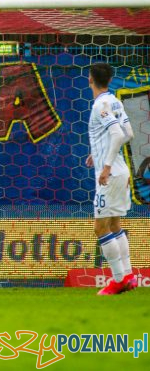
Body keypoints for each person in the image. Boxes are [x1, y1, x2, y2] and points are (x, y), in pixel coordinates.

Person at [86, 63, 137, 296]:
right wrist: (98, 151)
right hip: (121, 171)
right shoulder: (115, 101)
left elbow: (117, 134)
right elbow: (129, 134)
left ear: (90, 80)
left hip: (110, 174)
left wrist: (105, 166)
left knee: (100, 228)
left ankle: (117, 281)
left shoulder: (100, 105)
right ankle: (128, 276)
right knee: (115, 224)